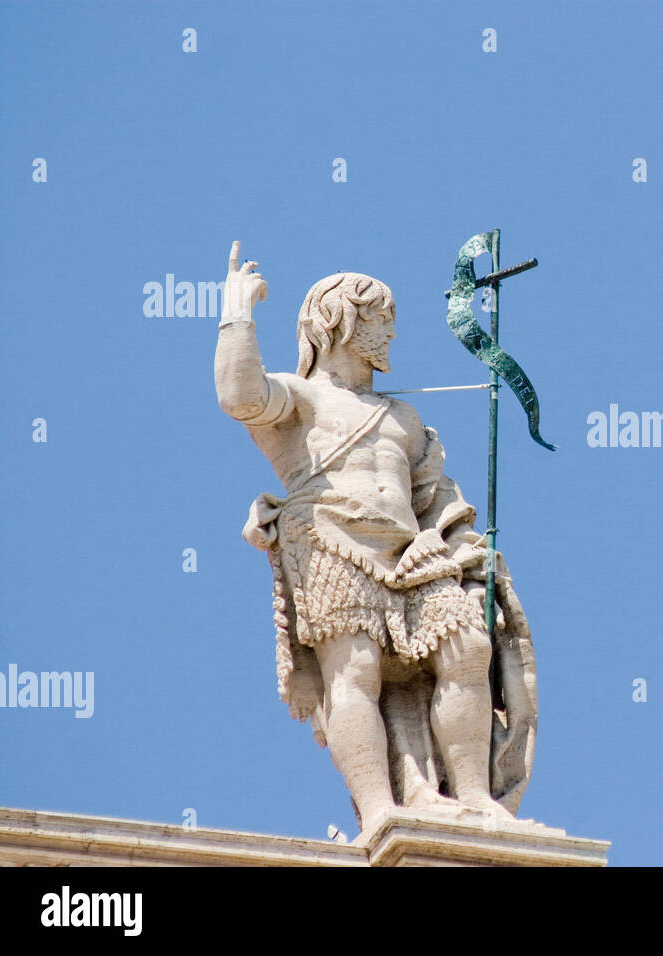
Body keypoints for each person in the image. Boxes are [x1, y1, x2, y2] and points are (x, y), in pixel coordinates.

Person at [214, 242, 536, 833]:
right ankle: (380, 808)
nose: (390, 335)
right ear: (338, 322)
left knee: (469, 649)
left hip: (413, 552)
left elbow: (437, 501)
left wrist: (464, 546)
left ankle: (473, 797)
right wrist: (237, 313)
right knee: (354, 670)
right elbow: (240, 396)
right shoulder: (302, 396)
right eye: (379, 322)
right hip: (332, 542)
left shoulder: (407, 420)